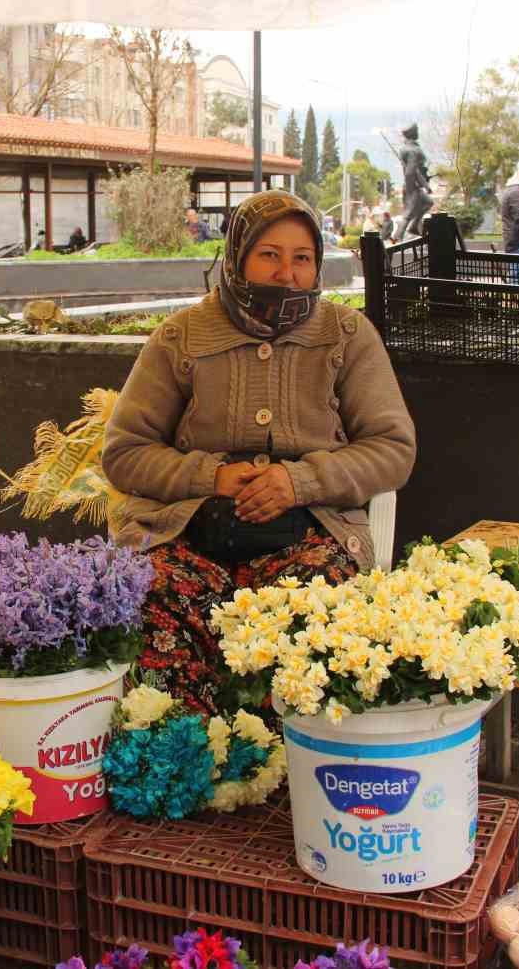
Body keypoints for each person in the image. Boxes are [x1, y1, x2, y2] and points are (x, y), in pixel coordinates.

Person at [103, 190, 416, 713]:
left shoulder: (347, 336)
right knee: (151, 591)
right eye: (270, 254)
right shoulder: (180, 337)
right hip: (188, 534)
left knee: (318, 601)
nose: (287, 273)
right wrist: (211, 477)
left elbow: (392, 449)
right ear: (237, 256)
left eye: (303, 258)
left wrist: (300, 482)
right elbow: (125, 452)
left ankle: (281, 761)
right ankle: (190, 755)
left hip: (309, 535)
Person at [393, 124, 431, 242]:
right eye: (417, 131)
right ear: (413, 133)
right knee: (408, 213)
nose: (418, 132)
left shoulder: (407, 148)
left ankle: (414, 227)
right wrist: (418, 186)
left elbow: (415, 170)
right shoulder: (413, 150)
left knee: (428, 203)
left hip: (413, 184)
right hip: (413, 185)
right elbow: (411, 171)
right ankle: (397, 236)